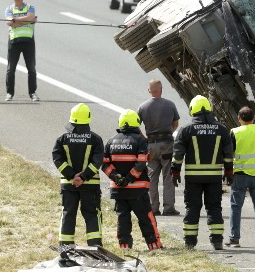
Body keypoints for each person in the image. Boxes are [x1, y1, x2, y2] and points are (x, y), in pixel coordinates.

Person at [172, 95, 234, 250]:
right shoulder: (221, 130)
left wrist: (175, 172)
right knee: (214, 207)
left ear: (192, 110)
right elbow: (228, 155)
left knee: (192, 208)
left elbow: (178, 155)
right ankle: (217, 241)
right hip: (214, 177)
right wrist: (228, 172)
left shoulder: (186, 130)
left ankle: (190, 242)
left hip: (193, 178)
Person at [103, 109, 163, 251]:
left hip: (119, 190)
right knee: (146, 218)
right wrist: (129, 179)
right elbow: (141, 162)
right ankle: (154, 245)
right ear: (136, 123)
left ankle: (124, 246)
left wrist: (117, 178)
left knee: (122, 218)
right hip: (137, 189)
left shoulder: (111, 141)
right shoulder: (139, 141)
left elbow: (104, 163)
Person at [51, 103, 105, 247]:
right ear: (88, 118)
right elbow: (97, 162)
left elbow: (58, 159)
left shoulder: (62, 139)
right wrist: (83, 177)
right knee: (92, 215)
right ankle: (95, 248)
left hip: (69, 185)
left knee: (68, 214)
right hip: (90, 185)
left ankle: (65, 249)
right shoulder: (95, 139)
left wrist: (71, 176)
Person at [227, 106, 255, 248]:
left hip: (239, 175)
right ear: (254, 118)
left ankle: (235, 240)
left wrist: (227, 172)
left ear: (239, 119)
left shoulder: (234, 132)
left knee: (235, 207)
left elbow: (228, 154)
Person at [137, 79, 181, 216]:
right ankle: (169, 208)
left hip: (151, 145)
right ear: (161, 90)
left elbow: (135, 125)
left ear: (149, 90)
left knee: (152, 177)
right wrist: (169, 132)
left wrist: (145, 138)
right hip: (167, 144)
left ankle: (153, 208)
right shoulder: (170, 105)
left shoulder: (143, 107)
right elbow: (175, 123)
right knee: (168, 177)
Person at [5, 0, 38, 101]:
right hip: (14, 42)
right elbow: (9, 22)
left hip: (28, 41)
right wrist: (27, 20)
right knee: (11, 69)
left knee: (31, 69)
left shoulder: (30, 7)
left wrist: (16, 20)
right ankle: (9, 93)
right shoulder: (9, 9)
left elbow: (30, 17)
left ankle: (32, 93)